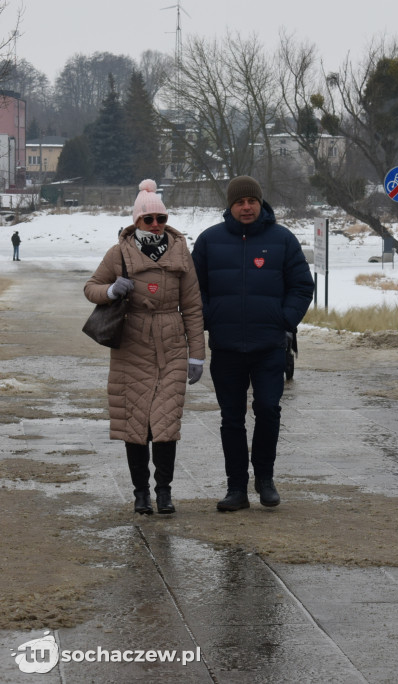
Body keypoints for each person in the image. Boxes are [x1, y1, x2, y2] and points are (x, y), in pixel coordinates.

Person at [191, 176, 313, 512]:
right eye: (240, 202)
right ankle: (236, 488)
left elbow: (302, 286)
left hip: (269, 346)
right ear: (230, 206)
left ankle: (265, 478)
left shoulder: (282, 239)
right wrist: (209, 317)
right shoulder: (209, 241)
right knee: (231, 418)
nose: (246, 207)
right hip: (226, 347)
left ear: (261, 203)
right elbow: (193, 289)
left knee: (268, 410)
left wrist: (284, 319)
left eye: (252, 201)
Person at [84, 180, 206, 515]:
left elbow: (192, 307)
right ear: (136, 220)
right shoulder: (118, 253)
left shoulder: (181, 253)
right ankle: (141, 493)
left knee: (166, 423)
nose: (155, 224)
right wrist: (111, 291)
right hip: (131, 346)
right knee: (134, 423)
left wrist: (197, 354)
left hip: (171, 345)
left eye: (161, 218)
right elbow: (91, 287)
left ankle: (164, 492)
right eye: (148, 219)